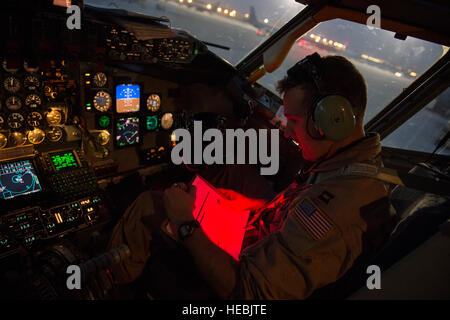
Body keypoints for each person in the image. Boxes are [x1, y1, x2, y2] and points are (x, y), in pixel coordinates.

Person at [108, 53, 398, 299]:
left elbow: (250, 292)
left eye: (294, 121)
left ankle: (100, 286)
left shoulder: (338, 206)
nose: (286, 130)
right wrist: (249, 208)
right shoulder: (347, 168)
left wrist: (186, 224)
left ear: (332, 121)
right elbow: (293, 221)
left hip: (240, 286)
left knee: (152, 205)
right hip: (255, 248)